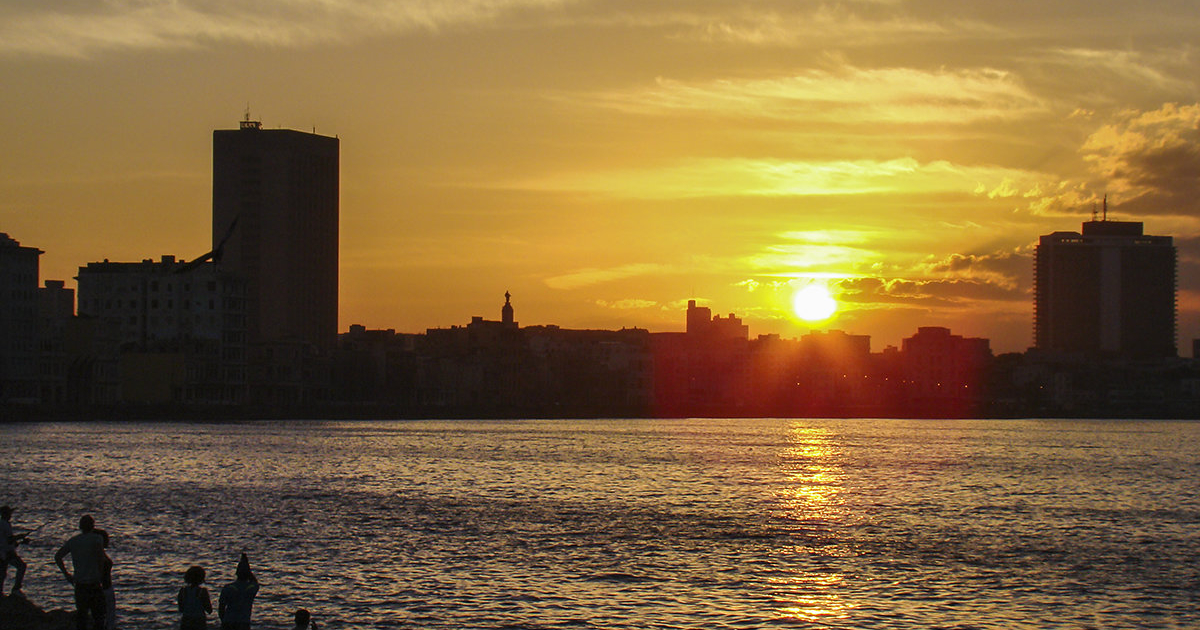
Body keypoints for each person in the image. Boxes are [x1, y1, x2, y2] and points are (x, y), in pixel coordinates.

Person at [55, 515, 107, 630]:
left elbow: (58, 557)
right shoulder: (97, 539)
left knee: (82, 618)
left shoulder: (73, 541)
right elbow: (100, 558)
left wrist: (66, 574)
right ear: (93, 526)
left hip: (79, 585)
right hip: (94, 584)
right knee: (99, 617)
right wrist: (101, 574)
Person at [218, 553, 258, 630]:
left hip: (228, 621)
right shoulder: (251, 588)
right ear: (248, 574)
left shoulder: (228, 588)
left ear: (236, 573)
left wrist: (223, 621)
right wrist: (246, 565)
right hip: (243, 622)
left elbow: (221, 608)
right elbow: (255, 582)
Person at [0, 505, 28, 596]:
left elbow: (9, 541)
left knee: (3, 573)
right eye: (9, 513)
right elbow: (9, 540)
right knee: (22, 566)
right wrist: (20, 536)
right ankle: (16, 589)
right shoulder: (4, 524)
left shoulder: (4, 524)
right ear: (5, 514)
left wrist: (20, 541)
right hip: (6, 553)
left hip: (3, 552)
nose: (11, 515)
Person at [178, 566, 213, 630]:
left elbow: (181, 609)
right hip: (199, 621)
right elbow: (209, 610)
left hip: (186, 620)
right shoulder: (202, 591)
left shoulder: (182, 591)